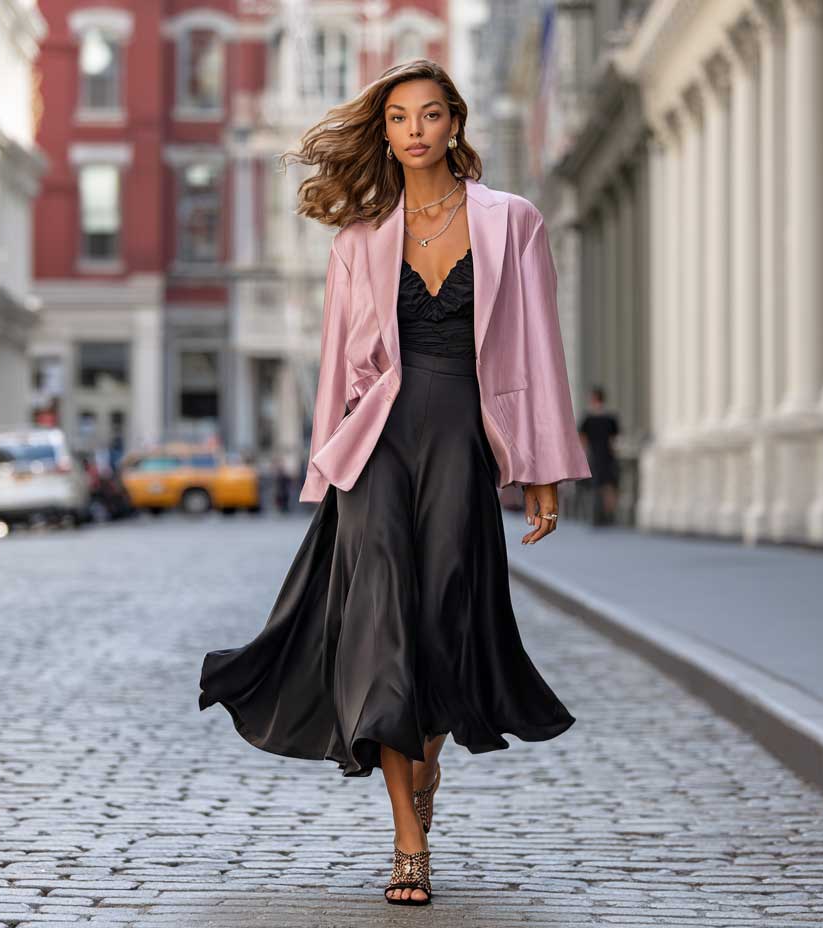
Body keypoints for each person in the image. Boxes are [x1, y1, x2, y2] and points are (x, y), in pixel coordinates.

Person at [197, 59, 591, 906]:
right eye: (400, 117)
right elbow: (340, 362)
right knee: (379, 624)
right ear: (386, 131)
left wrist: (546, 468)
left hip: (463, 443)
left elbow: (538, 351)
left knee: (445, 613)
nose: (415, 129)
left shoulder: (513, 222)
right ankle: (408, 842)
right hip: (376, 446)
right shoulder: (357, 240)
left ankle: (428, 757)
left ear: (456, 124)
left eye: (432, 114)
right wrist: (324, 468)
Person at [578, 386, 620, 526]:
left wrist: (583, 454)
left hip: (594, 455)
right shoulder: (610, 418)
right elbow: (614, 439)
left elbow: (583, 439)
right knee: (608, 486)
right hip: (607, 455)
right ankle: (608, 515)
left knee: (596, 485)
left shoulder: (588, 418)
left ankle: (596, 514)